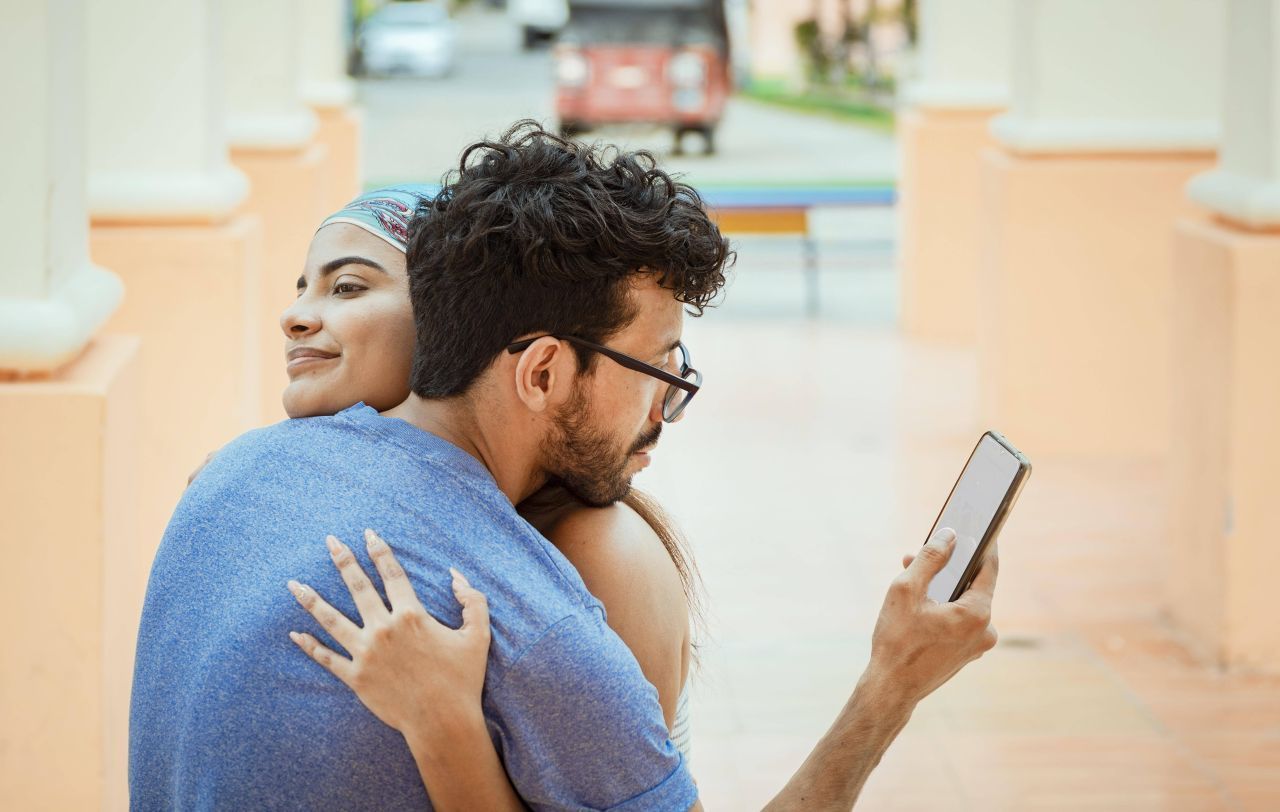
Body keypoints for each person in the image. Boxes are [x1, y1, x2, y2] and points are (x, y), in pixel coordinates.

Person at [132, 121, 998, 811]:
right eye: (658, 369)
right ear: (542, 371)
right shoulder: (527, 616)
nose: (666, 409)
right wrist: (892, 683)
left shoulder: (226, 478)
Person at [246, 183, 701, 746]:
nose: (294, 316)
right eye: (304, 287)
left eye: (348, 286)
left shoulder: (594, 548)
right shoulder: (289, 481)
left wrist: (444, 727)